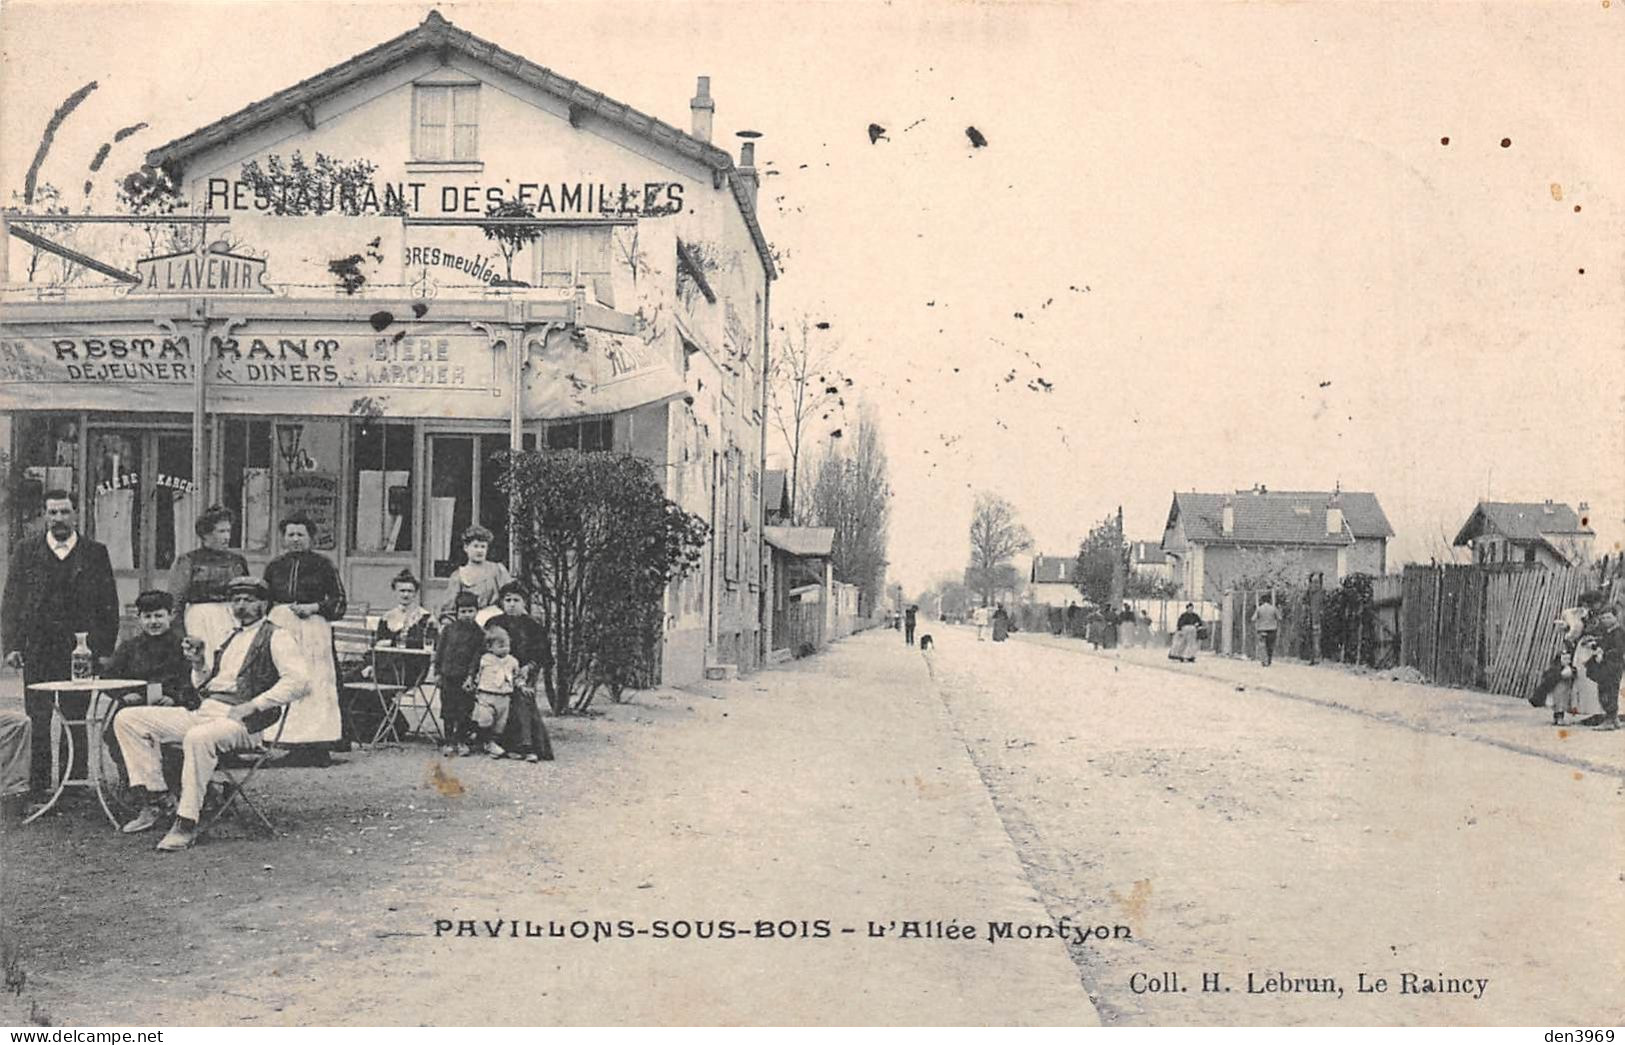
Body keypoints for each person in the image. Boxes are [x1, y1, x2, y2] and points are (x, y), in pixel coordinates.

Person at [113, 576, 309, 851]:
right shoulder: (231, 636)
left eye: (249, 600)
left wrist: (254, 705)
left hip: (243, 724)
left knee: (198, 737)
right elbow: (204, 685)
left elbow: (299, 682)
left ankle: (186, 822)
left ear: (264, 604)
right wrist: (198, 664)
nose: (241, 605)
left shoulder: (277, 636)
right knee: (127, 719)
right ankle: (159, 796)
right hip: (206, 711)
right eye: (236, 600)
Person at [1, 488, 120, 802]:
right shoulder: (27, 551)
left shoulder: (95, 552)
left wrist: (105, 650)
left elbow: (109, 604)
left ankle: (73, 785)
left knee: (75, 715)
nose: (58, 519)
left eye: (64, 512)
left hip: (80, 650)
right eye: (52, 513)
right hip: (38, 648)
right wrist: (11, 645)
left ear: (76, 513)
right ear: (44, 515)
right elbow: (11, 601)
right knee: (38, 717)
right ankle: (39, 786)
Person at [262, 515, 347, 767]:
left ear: (311, 538)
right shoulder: (275, 566)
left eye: (301, 534)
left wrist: (315, 607)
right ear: (283, 538)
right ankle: (290, 741)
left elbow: (339, 602)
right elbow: (265, 599)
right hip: (283, 626)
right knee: (287, 678)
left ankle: (318, 744)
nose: (295, 539)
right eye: (290, 534)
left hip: (313, 628)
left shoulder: (324, 565)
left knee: (316, 682)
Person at [167, 505, 250, 667]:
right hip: (200, 619)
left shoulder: (237, 561)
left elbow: (248, 595)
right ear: (206, 534)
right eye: (221, 532)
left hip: (232, 619)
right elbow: (175, 601)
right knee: (203, 663)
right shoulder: (188, 561)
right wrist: (180, 635)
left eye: (228, 531)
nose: (227, 537)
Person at [489, 582, 552, 762]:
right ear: (502, 602)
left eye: (516, 600)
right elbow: (484, 651)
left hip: (523, 674)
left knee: (522, 697)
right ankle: (500, 743)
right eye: (507, 600)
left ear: (524, 603)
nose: (511, 604)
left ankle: (527, 746)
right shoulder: (494, 623)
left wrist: (529, 667)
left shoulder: (533, 626)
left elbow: (542, 654)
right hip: (496, 674)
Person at [434, 592, 485, 756]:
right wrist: (437, 672)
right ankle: (449, 741)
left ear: (477, 611)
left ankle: (461, 741)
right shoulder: (448, 630)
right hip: (448, 675)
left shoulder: (479, 634)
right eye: (463, 611)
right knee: (448, 709)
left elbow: (476, 658)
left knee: (464, 709)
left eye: (470, 611)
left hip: (465, 678)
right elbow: (440, 651)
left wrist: (471, 676)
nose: (467, 615)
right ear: (457, 613)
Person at [373, 569, 437, 689]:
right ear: (395, 592)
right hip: (385, 665)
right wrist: (370, 665)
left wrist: (390, 643)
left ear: (415, 593)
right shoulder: (387, 617)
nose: (406, 595)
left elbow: (427, 644)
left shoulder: (425, 617)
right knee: (350, 679)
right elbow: (378, 644)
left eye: (410, 591)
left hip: (411, 668)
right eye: (402, 591)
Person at [439, 526, 512, 624]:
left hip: (496, 621)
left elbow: (510, 596)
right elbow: (449, 611)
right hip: (468, 622)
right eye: (476, 546)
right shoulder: (458, 576)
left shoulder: (497, 570)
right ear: (466, 548)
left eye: (483, 547)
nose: (479, 551)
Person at [471, 624, 520, 758]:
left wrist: (520, 684)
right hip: (486, 694)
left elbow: (516, 676)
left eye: (507, 646)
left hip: (504, 697)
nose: (505, 649)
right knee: (485, 718)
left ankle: (491, 743)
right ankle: (485, 740)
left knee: (500, 723)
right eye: (500, 646)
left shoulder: (513, 661)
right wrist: (473, 683)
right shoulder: (485, 659)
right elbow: (478, 673)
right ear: (489, 647)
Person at [1584, 603, 1623, 731]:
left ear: (1616, 617)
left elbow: (1618, 650)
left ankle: (1609, 720)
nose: (1605, 620)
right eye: (1603, 618)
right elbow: (1605, 643)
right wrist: (1595, 644)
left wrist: (1603, 654)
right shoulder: (1609, 632)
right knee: (1609, 690)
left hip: (1613, 665)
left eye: (1608, 617)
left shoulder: (1619, 633)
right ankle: (1614, 719)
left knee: (1607, 690)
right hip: (1608, 665)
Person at [1251, 595, 1281, 666]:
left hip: (1261, 629)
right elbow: (1279, 618)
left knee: (1262, 646)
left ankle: (1264, 661)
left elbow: (1253, 619)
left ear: (1262, 601)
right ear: (1270, 601)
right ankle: (1269, 660)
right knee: (1270, 646)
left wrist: (1259, 621)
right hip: (1272, 629)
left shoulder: (1259, 609)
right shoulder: (1273, 609)